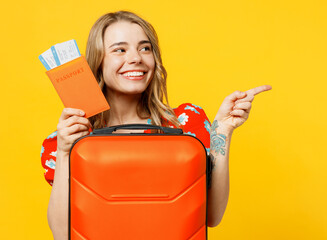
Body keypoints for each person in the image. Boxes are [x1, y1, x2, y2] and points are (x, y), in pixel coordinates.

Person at [40, 10, 272, 239]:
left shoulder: (185, 123)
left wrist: (222, 130)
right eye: (120, 50)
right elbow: (62, 234)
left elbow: (211, 216)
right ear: (98, 62)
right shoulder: (73, 137)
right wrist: (64, 152)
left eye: (145, 48)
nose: (136, 58)